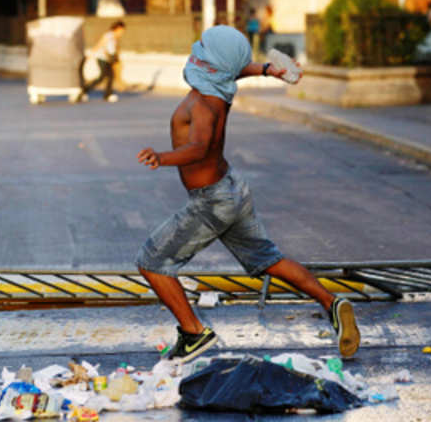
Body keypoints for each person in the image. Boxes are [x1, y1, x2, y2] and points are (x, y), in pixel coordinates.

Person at [135, 25, 361, 363]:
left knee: (152, 262)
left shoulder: (202, 105)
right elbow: (237, 69)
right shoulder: (221, 89)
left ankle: (194, 334)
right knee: (269, 260)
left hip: (212, 202)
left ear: (205, 65)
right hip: (232, 190)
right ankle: (332, 303)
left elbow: (199, 148)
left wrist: (162, 157)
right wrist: (269, 70)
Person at [81, 20, 125, 103]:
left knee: (110, 76)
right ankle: (85, 90)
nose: (122, 33)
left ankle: (107, 94)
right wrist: (91, 54)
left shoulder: (115, 38)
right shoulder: (108, 35)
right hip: (102, 58)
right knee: (103, 77)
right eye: (121, 30)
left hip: (108, 59)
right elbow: (100, 44)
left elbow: (113, 50)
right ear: (118, 28)